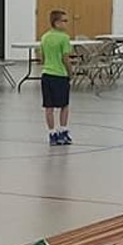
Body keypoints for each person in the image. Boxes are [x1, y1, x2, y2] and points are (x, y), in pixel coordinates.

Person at [40, 9, 73, 145]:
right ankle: (63, 132)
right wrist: (70, 72)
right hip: (60, 75)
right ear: (57, 22)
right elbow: (66, 58)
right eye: (64, 20)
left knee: (49, 106)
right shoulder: (64, 38)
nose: (66, 23)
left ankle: (52, 134)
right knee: (64, 105)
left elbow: (42, 58)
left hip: (46, 75)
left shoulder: (44, 37)